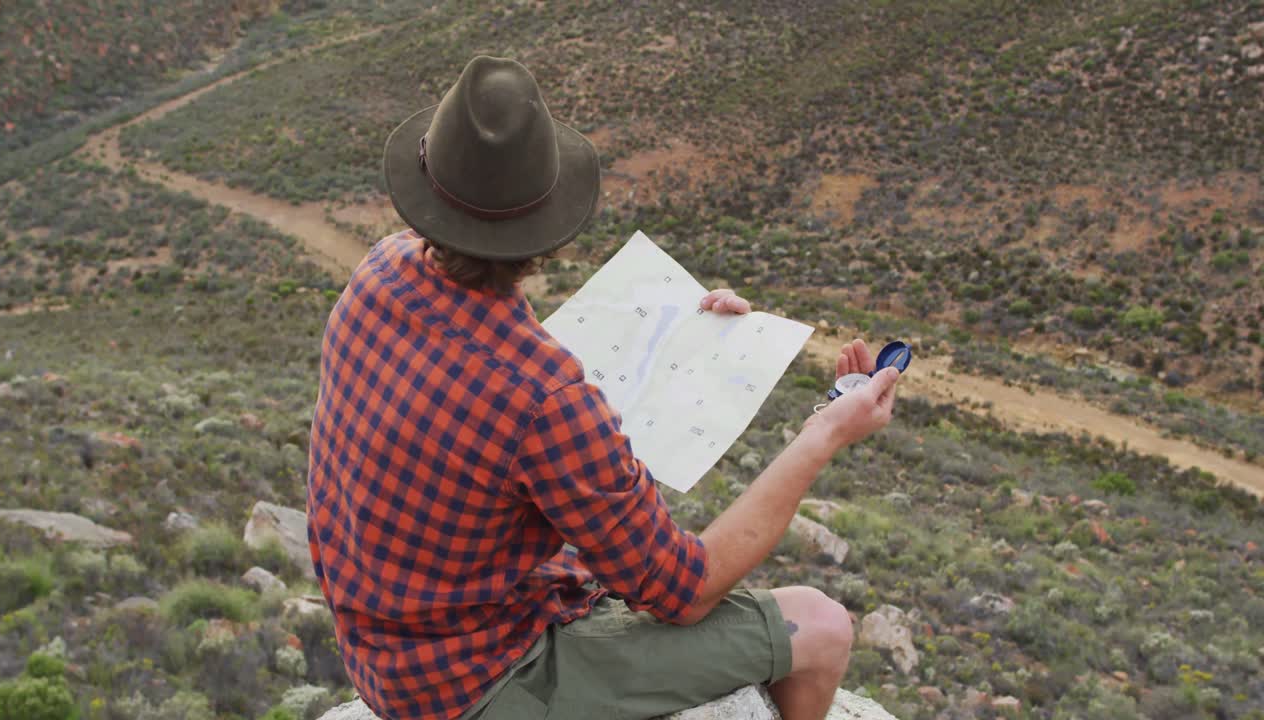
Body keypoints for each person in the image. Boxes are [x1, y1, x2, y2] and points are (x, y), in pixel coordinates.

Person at [307, 56, 900, 720]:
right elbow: (684, 589)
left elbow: (495, 365)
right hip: (474, 685)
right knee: (821, 626)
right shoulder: (543, 399)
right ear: (545, 232)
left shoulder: (382, 270)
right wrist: (824, 433)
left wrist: (678, 334)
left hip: (386, 652)